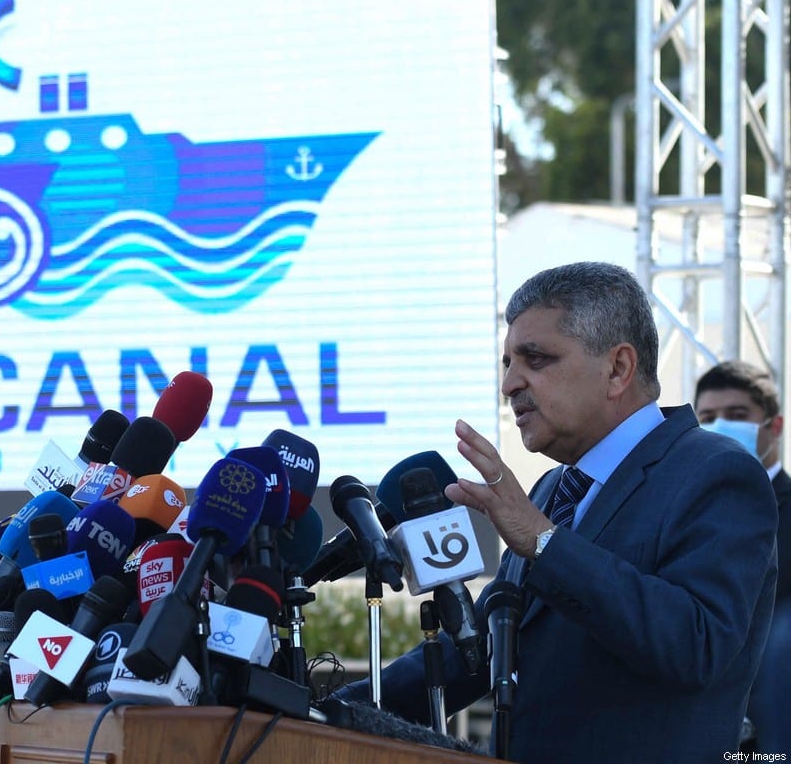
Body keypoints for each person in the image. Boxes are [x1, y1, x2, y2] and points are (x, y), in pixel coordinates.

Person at [335, 261, 777, 762]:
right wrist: (321, 710)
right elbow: (476, 657)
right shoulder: (550, 491)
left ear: (618, 368)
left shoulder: (718, 473)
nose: (509, 385)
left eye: (536, 360)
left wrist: (545, 543)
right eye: (507, 363)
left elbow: (695, 643)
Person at [694, 360, 790, 756]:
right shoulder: (688, 513)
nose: (720, 427)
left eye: (736, 416)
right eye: (708, 417)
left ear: (774, 426)